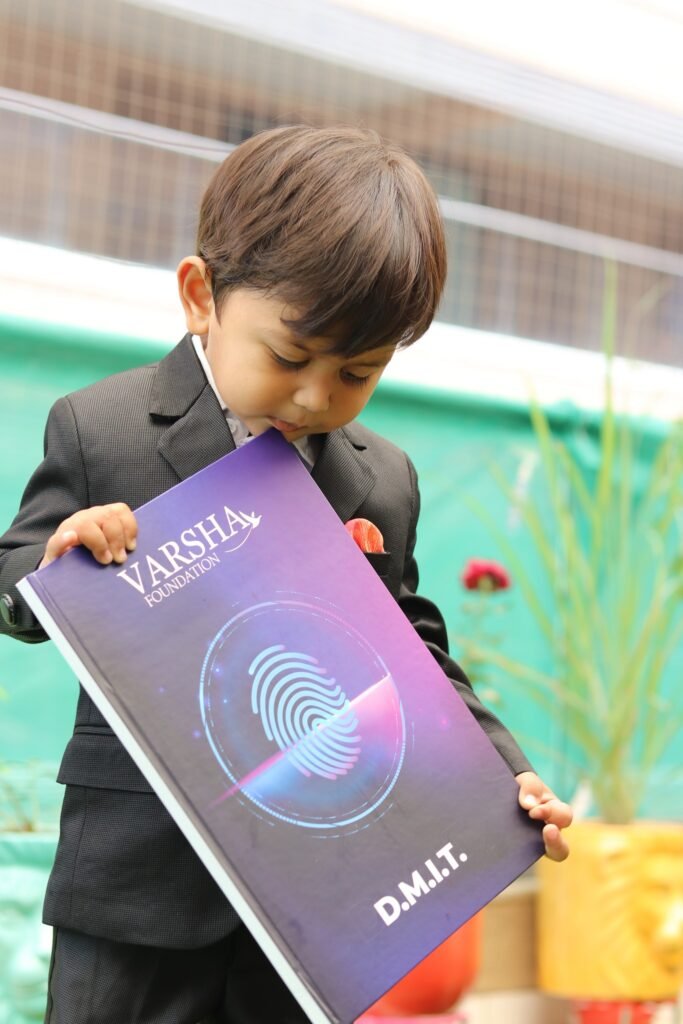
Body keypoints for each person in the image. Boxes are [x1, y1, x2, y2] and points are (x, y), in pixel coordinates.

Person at [0, 125, 572, 1024]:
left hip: (309, 893)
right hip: (137, 882)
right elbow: (14, 578)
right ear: (202, 297)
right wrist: (57, 558)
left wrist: (502, 774)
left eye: (358, 373)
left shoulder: (381, 480)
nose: (314, 397)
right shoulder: (102, 428)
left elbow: (414, 650)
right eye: (290, 357)